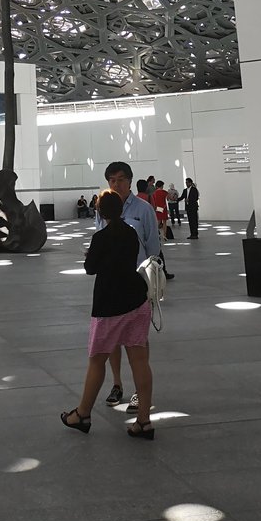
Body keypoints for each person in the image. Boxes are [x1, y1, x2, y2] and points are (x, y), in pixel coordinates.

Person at [60, 189, 155, 440]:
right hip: (136, 300)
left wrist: (91, 257)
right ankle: (144, 421)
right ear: (121, 210)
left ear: (99, 211)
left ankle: (82, 414)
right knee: (140, 359)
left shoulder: (100, 237)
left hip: (109, 305)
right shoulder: (131, 233)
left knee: (96, 361)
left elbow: (91, 269)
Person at [96, 161, 169, 409]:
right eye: (112, 180)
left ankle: (141, 392)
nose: (116, 184)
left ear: (129, 180)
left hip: (136, 283)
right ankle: (117, 384)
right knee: (111, 340)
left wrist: (149, 279)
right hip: (110, 285)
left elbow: (152, 247)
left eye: (121, 179)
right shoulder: (102, 208)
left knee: (137, 341)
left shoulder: (143, 209)